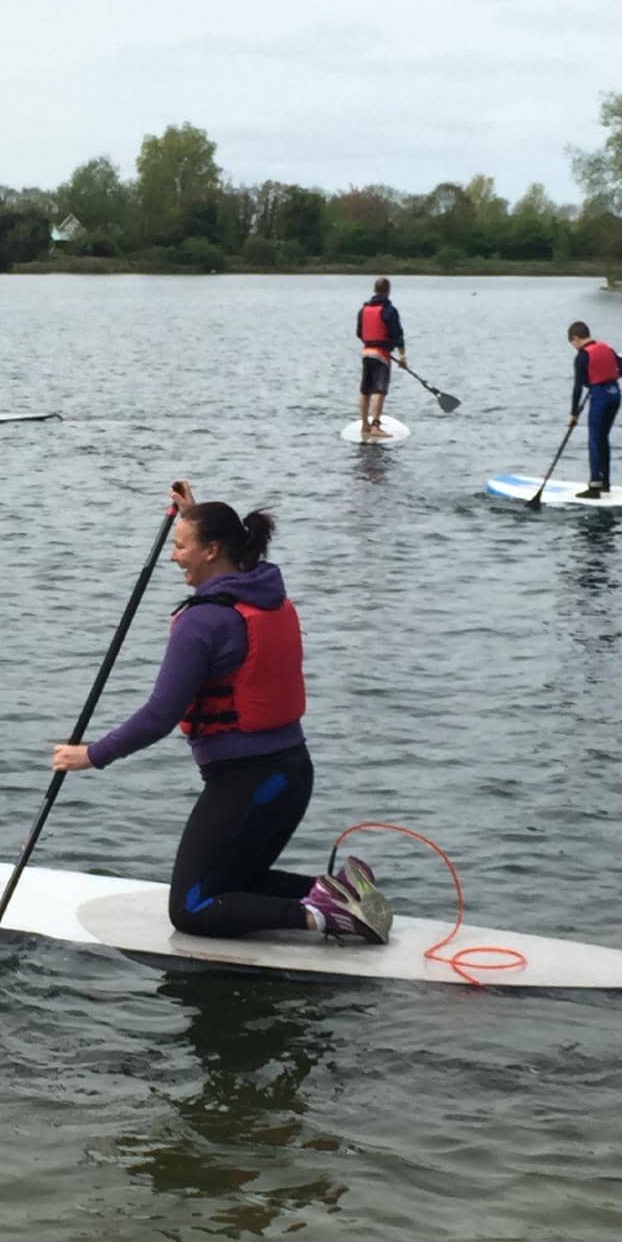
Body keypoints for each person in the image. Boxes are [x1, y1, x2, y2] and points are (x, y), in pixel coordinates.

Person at [51, 480, 393, 946]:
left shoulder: (202, 620)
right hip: (290, 776)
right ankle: (339, 892)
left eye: (182, 545)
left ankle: (322, 915)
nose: (174, 556)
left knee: (191, 908)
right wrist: (195, 515)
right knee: (229, 882)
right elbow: (230, 553)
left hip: (250, 783)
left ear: (213, 551)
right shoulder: (264, 591)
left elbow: (160, 714)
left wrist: (91, 755)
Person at [567, 322, 622, 498]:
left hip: (601, 398)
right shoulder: (606, 348)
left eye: (573, 344)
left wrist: (573, 414)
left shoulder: (582, 356)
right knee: (603, 438)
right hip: (615, 395)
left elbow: (577, 387)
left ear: (576, 339)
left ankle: (594, 486)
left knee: (594, 439)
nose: (574, 347)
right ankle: (605, 483)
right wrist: (606, 375)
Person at [356, 276, 407, 439]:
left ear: (375, 290)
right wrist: (402, 356)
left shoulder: (363, 310)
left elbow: (359, 333)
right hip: (381, 356)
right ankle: (376, 426)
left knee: (365, 390)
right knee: (380, 390)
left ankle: (365, 424)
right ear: (388, 291)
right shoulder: (389, 310)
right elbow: (397, 334)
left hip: (366, 353)